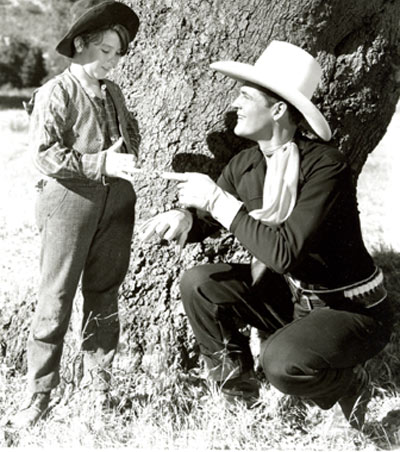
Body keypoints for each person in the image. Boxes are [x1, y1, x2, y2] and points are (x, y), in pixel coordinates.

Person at [140, 41, 393, 429]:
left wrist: (219, 203)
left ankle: (347, 385)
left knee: (280, 362)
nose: (234, 105)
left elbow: (283, 253)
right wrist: (185, 218)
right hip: (293, 299)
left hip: (350, 309)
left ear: (277, 110)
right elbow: (211, 215)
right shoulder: (246, 163)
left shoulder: (327, 166)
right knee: (200, 283)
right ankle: (239, 400)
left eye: (244, 95)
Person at [9, 0, 141, 428]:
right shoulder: (55, 92)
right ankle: (39, 395)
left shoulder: (114, 92)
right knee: (56, 298)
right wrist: (100, 162)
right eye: (105, 52)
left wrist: (124, 160)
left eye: (118, 55)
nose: (113, 62)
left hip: (115, 204)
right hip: (68, 203)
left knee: (105, 295)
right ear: (81, 43)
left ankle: (98, 391)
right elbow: (45, 155)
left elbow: (131, 136)